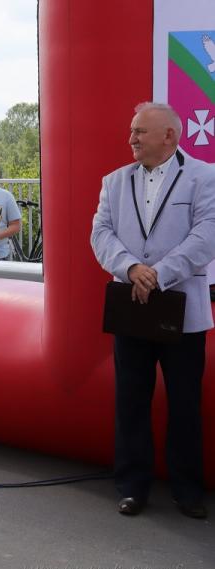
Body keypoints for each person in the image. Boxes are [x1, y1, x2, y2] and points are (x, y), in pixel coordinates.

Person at [90, 102, 215, 519]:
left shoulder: (204, 177)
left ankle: (187, 490)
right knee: (130, 400)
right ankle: (132, 486)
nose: (132, 138)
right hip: (131, 306)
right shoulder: (114, 181)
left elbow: (206, 235)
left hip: (182, 309)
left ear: (169, 135)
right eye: (132, 131)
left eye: (140, 131)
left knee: (185, 404)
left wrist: (159, 273)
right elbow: (100, 234)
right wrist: (131, 268)